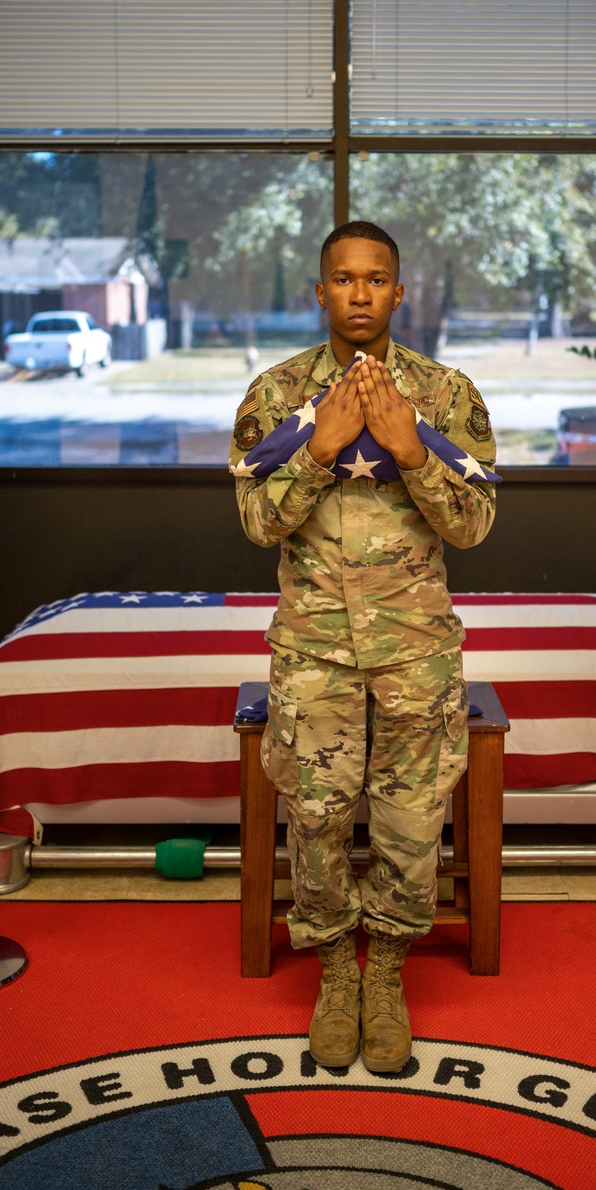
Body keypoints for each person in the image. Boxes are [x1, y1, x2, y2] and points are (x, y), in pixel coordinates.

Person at [230, 220, 496, 1073]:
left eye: (375, 279)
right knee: (315, 820)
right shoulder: (276, 395)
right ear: (319, 291)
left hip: (415, 650)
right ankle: (334, 976)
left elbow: (476, 525)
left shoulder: (446, 394)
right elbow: (257, 520)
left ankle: (386, 974)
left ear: (398, 290)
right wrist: (321, 449)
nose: (358, 293)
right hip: (314, 651)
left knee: (412, 826)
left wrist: (413, 450)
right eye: (342, 279)